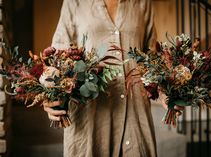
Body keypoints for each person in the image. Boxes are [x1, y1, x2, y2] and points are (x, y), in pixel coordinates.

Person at [43, 0, 184, 157]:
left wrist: (165, 91)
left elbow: (151, 58)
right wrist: (50, 95)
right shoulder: (74, 3)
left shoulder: (142, 3)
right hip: (90, 113)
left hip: (135, 113)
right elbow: (57, 59)